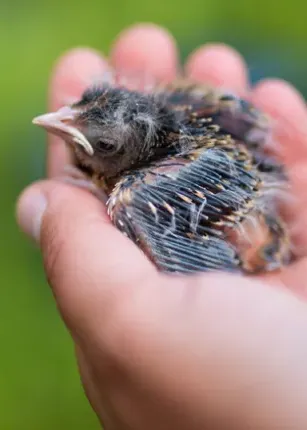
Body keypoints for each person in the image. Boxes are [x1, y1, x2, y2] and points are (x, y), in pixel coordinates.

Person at [16, 24, 307, 429]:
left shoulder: (136, 194)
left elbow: (217, 256)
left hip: (255, 228)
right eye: (79, 107)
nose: (61, 120)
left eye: (106, 146)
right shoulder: (159, 128)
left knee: (131, 204)